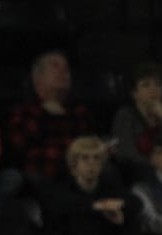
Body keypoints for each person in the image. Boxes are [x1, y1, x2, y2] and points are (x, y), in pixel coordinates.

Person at [5, 50, 95, 187]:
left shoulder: (79, 111)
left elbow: (89, 145)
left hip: (80, 174)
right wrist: (45, 114)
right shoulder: (23, 110)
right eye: (55, 66)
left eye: (67, 68)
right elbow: (20, 145)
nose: (64, 72)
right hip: (42, 175)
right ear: (37, 76)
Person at [110, 61, 162, 181]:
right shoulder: (125, 116)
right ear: (134, 93)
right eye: (146, 85)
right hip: (135, 177)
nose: (153, 89)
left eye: (158, 84)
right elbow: (126, 155)